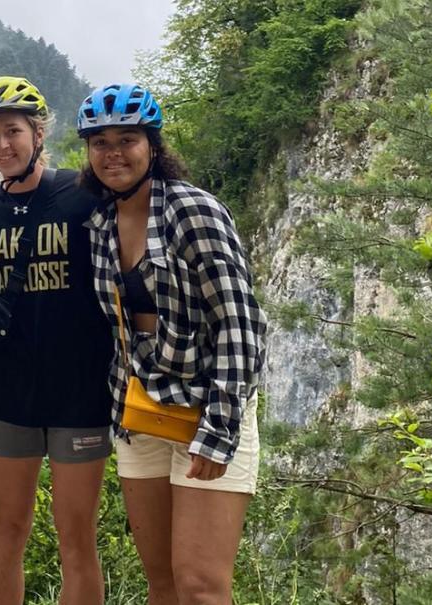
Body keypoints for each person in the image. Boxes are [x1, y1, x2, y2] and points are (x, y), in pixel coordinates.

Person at [77, 83, 267, 604]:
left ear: (153, 146)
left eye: (127, 139)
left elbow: (242, 323)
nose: (113, 153)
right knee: (161, 581)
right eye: (100, 143)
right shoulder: (99, 223)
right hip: (141, 414)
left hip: (206, 409)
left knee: (201, 586)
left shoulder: (192, 212)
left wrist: (220, 428)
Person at [0, 76, 114, 605]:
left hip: (79, 393)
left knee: (78, 539)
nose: (2, 145)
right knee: (6, 533)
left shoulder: (83, 194)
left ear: (39, 132)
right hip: (7, 396)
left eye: (13, 131)